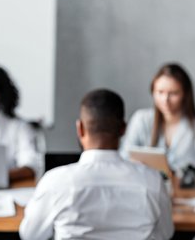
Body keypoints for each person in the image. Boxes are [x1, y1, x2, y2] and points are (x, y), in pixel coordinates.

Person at [19, 89, 174, 240]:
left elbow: (30, 235)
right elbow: (166, 233)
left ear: (80, 128)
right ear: (123, 129)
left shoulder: (56, 181)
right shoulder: (151, 179)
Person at [121, 63, 195, 175]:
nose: (165, 100)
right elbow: (125, 155)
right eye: (160, 92)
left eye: (173, 93)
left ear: (185, 94)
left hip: (185, 191)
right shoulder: (141, 119)